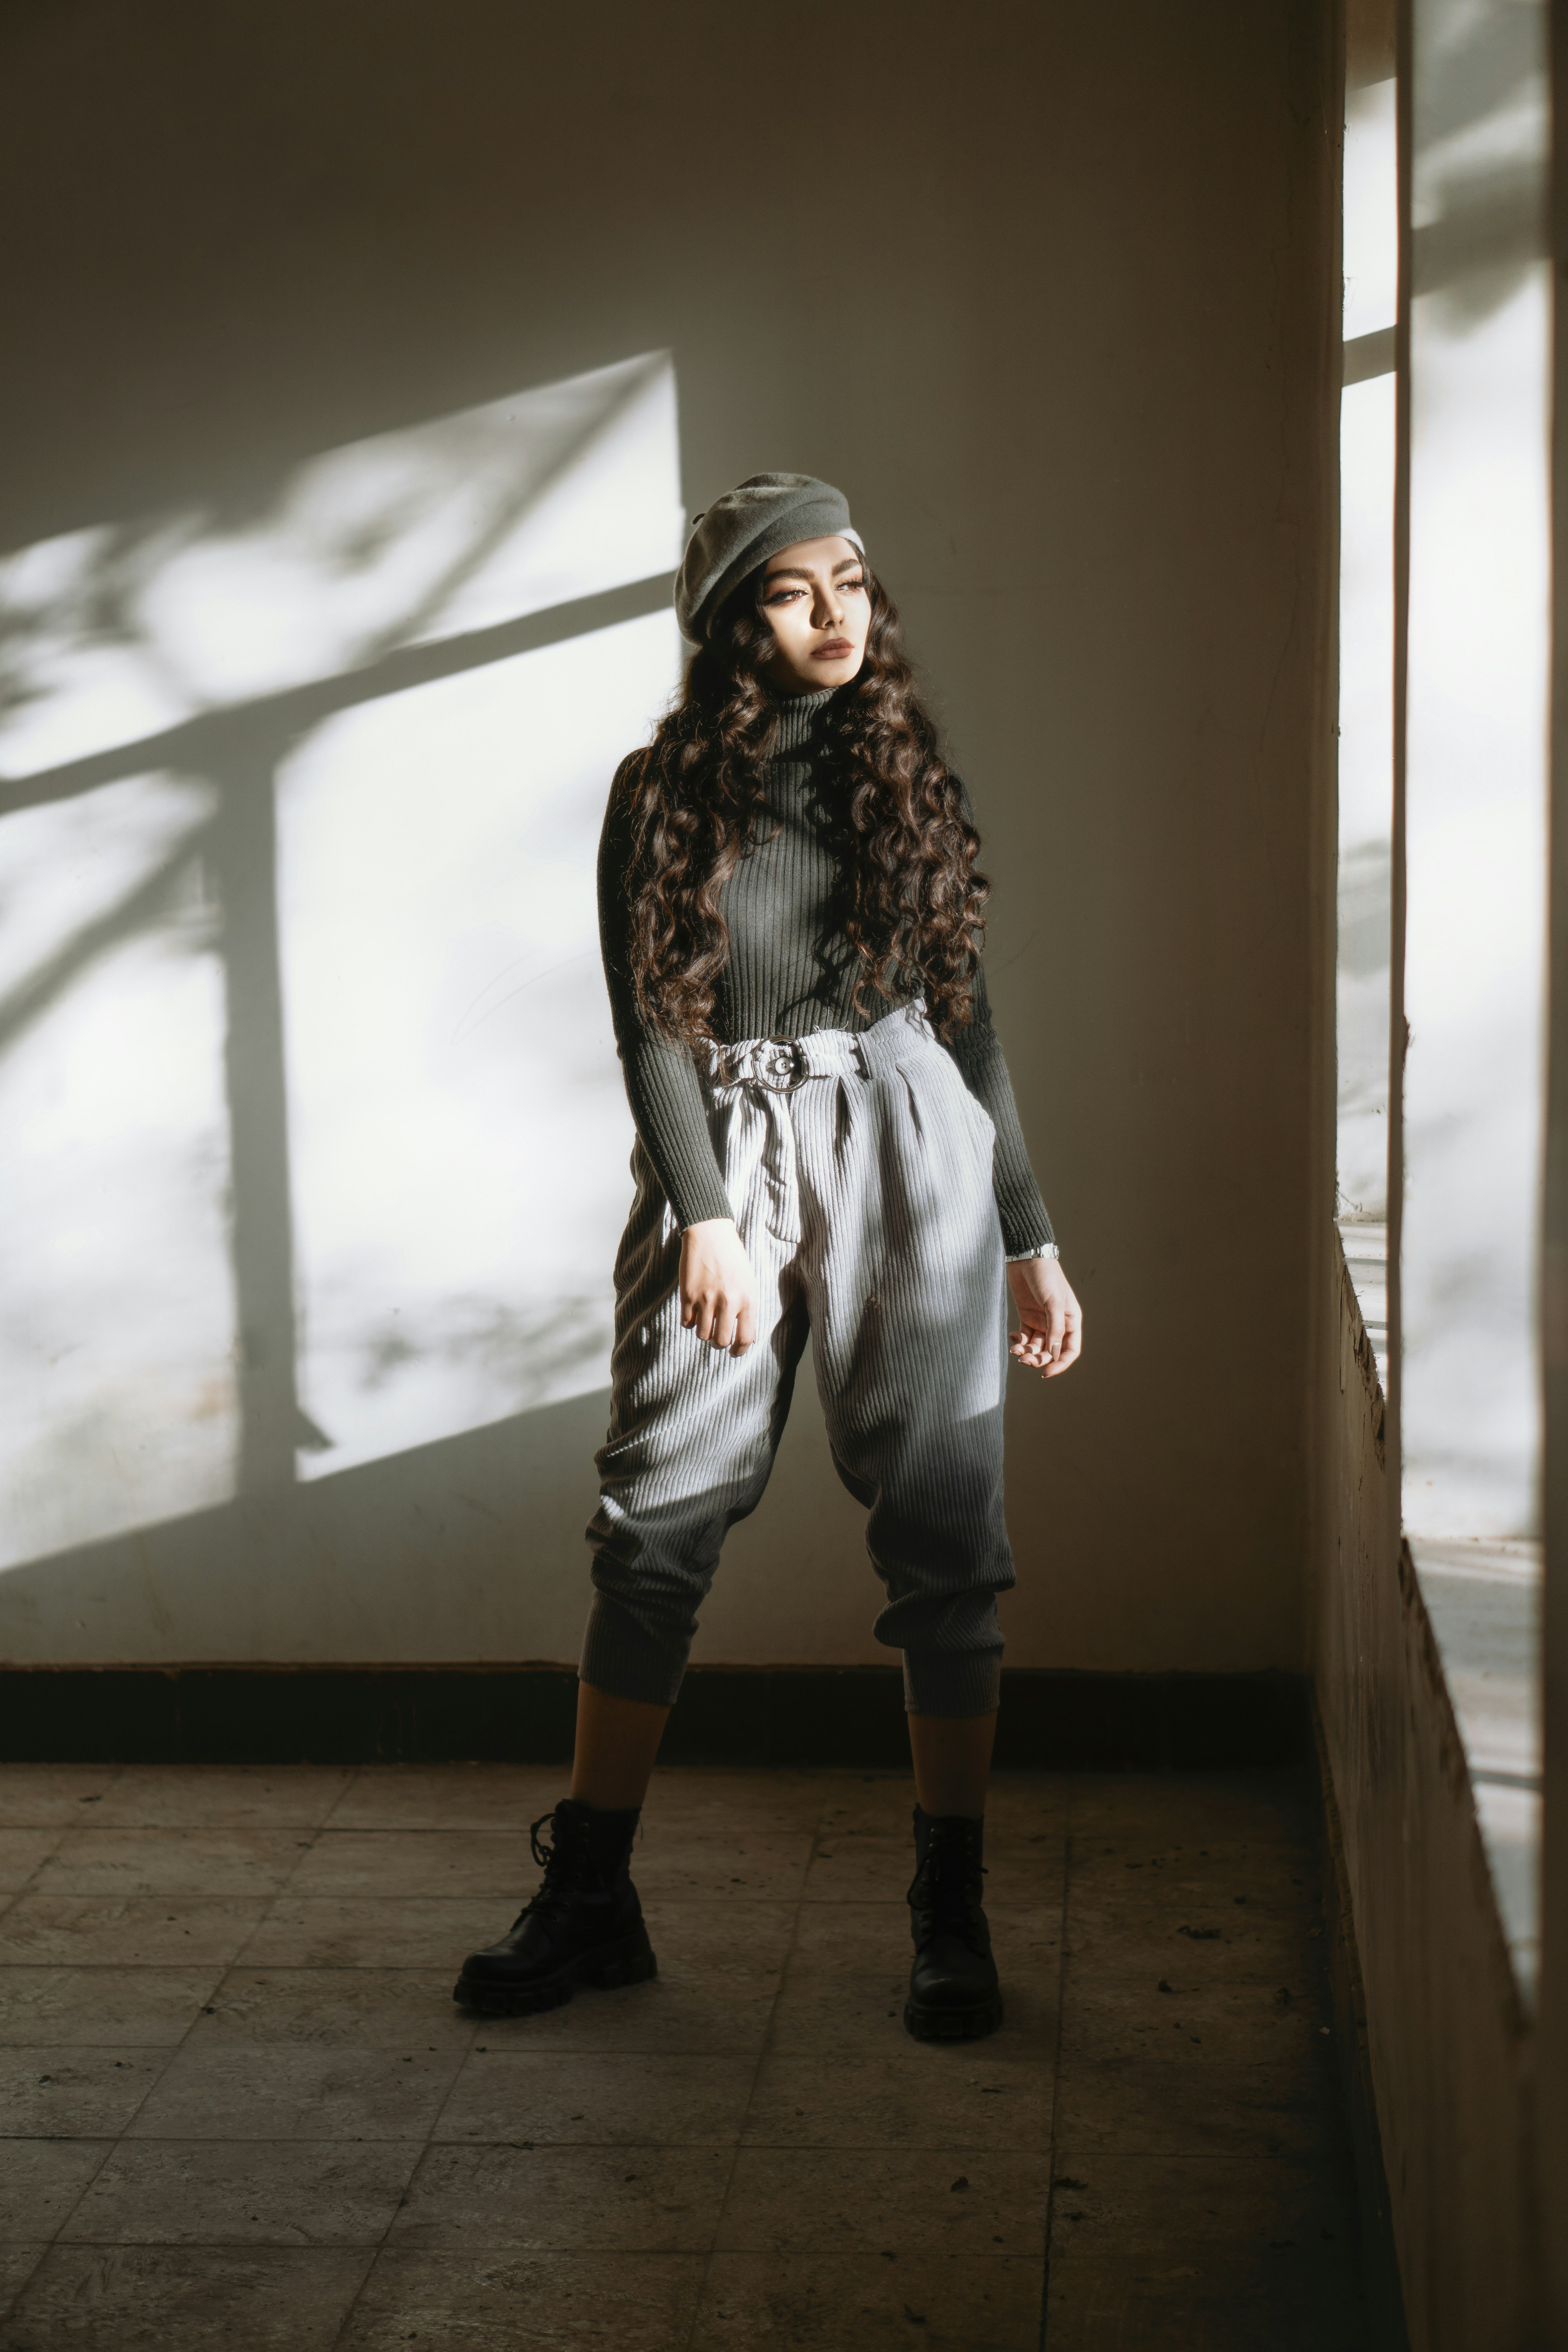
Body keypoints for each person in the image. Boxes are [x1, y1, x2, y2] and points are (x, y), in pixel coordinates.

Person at [455, 474, 1082, 2042]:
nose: (839, 611)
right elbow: (652, 1020)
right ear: (731, 617)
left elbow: (969, 1025)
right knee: (654, 1520)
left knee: (946, 1541)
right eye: (798, 589)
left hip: (908, 1143)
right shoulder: (660, 793)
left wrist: (1030, 1236)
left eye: (855, 581)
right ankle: (591, 1893)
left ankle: (950, 1909)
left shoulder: (902, 781)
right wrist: (703, 1217)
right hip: (728, 1150)